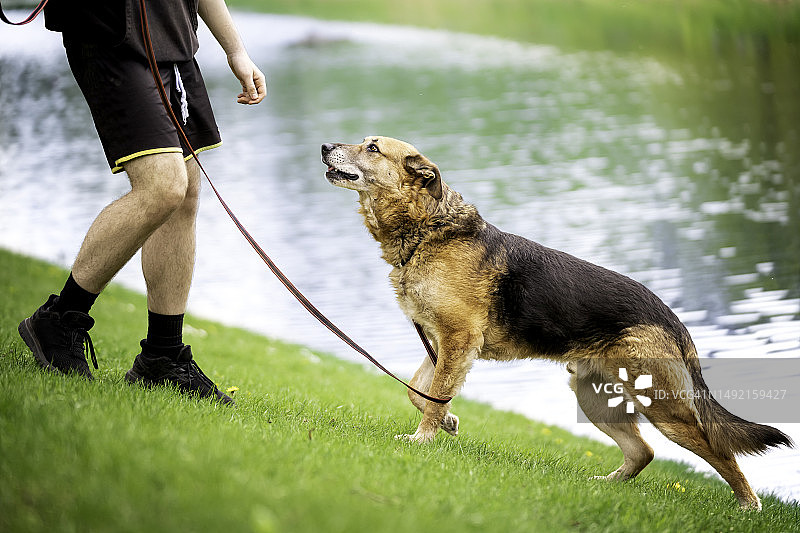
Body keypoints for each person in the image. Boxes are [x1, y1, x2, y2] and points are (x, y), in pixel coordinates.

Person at [17, 0, 266, 404]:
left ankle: (162, 355)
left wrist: (235, 50)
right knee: (163, 186)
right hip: (111, 37)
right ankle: (60, 319)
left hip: (174, 42)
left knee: (184, 193)